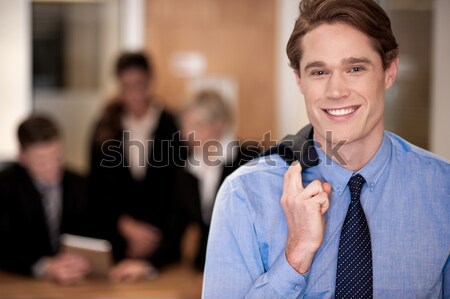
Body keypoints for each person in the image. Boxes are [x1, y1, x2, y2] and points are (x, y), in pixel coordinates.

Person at [203, 0, 450, 298]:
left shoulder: (442, 189)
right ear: (300, 80)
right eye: (319, 72)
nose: (336, 91)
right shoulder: (244, 195)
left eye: (355, 68)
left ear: (389, 71)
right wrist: (296, 255)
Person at [89, 52, 185, 282]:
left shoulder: (172, 125)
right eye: (126, 86)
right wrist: (125, 226)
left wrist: (151, 239)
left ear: (151, 80)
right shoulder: (104, 126)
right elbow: (95, 187)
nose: (133, 93)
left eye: (139, 84)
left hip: (162, 250)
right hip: (116, 245)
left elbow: (179, 191)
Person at [0, 115, 91, 284]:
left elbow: (96, 233)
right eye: (41, 162)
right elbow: (4, 246)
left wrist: (85, 260)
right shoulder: (5, 186)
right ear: (22, 158)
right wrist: (43, 267)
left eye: (57, 157)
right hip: (21, 285)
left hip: (78, 284)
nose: (52, 168)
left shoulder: (80, 184)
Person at [176, 90, 259, 271]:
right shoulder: (187, 168)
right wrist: (149, 263)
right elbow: (175, 224)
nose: (187, 135)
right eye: (185, 126)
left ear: (219, 124)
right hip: (203, 267)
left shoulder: (249, 161)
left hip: (246, 268)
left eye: (197, 126)